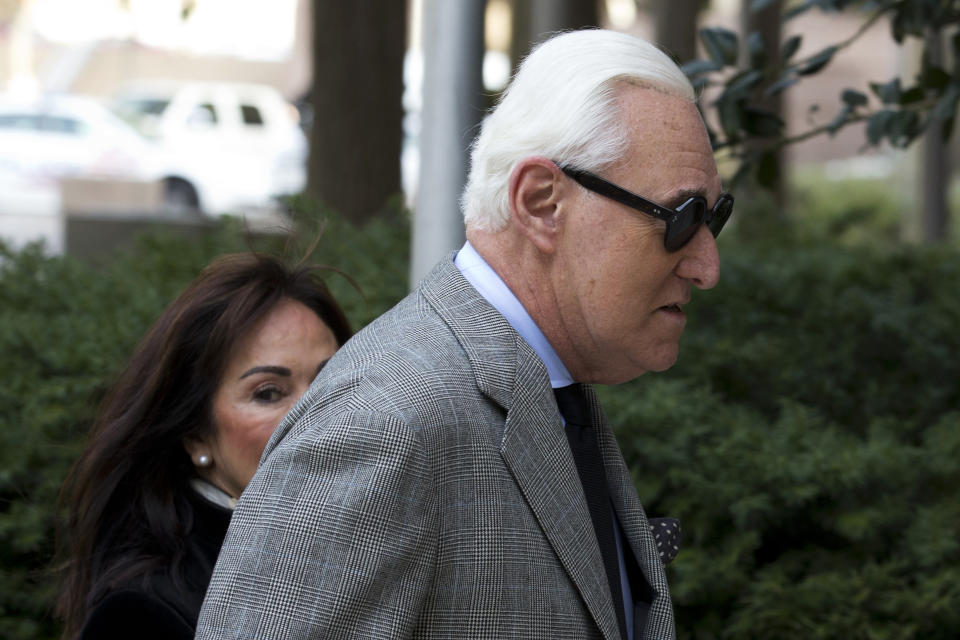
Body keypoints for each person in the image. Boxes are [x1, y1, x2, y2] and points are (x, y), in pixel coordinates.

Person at [196, 28, 733, 640]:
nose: (707, 266)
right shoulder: (387, 418)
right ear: (539, 203)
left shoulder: (546, 387)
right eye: (682, 217)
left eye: (714, 218)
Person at [56, 253, 353, 640]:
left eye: (329, 379)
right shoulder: (142, 615)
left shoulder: (374, 547)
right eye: (268, 393)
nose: (315, 413)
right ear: (197, 436)